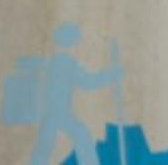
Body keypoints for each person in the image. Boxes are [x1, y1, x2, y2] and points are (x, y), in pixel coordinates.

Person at [26, 23, 121, 165]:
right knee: (81, 138)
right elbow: (88, 83)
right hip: (59, 112)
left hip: (53, 112)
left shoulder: (54, 62)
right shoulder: (66, 63)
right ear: (71, 42)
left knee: (45, 147)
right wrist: (111, 76)